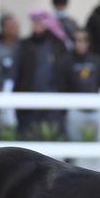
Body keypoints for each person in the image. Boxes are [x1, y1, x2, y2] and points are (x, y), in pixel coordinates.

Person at [15, 9, 69, 139]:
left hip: (53, 103)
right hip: (28, 103)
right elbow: (17, 72)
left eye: (39, 22)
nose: (35, 25)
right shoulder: (24, 45)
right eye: (33, 22)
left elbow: (64, 72)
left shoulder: (58, 45)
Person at [59, 28, 100, 141]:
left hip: (96, 111)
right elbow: (62, 86)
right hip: (75, 111)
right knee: (74, 147)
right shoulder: (66, 61)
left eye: (83, 40)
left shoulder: (97, 60)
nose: (80, 43)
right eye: (76, 40)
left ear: (88, 42)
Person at [0, 13, 20, 89]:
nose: (14, 29)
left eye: (15, 26)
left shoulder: (22, 47)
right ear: (3, 28)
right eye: (10, 26)